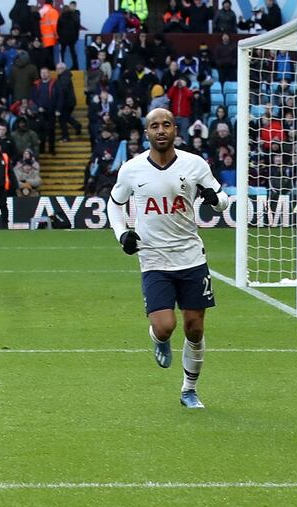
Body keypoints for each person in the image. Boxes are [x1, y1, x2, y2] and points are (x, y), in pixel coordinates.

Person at [107, 108, 231, 410]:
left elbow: (221, 200)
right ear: (146, 133)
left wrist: (217, 200)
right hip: (153, 259)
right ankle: (158, 339)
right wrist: (122, 234)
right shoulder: (132, 169)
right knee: (165, 326)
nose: (160, 130)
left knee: (195, 328)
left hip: (190, 257)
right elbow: (114, 203)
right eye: (154, 126)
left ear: (175, 129)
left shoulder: (194, 164)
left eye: (166, 125)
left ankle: (189, 389)